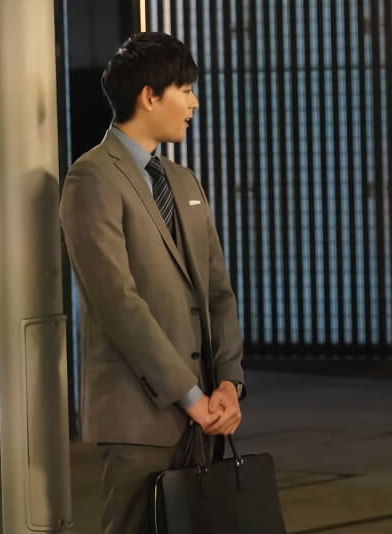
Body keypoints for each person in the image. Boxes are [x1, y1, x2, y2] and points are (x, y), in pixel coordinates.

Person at [60, 32, 246, 534]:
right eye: (184, 90)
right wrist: (190, 397)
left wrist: (228, 384)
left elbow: (218, 292)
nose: (194, 102)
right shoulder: (91, 179)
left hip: (207, 415)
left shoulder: (184, 181)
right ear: (149, 96)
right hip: (140, 419)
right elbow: (119, 305)